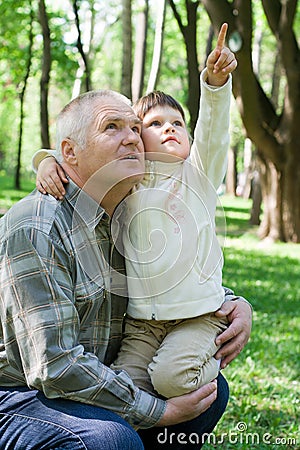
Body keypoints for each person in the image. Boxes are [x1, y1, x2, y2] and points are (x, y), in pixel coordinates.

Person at [0, 28, 252, 450]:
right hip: (22, 393)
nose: (133, 137)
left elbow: (170, 265)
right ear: (70, 153)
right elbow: (55, 366)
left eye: (137, 129)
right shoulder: (37, 226)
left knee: (208, 396)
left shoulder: (127, 210)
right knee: (109, 439)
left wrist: (232, 301)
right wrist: (159, 413)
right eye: (112, 128)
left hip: (95, 372)